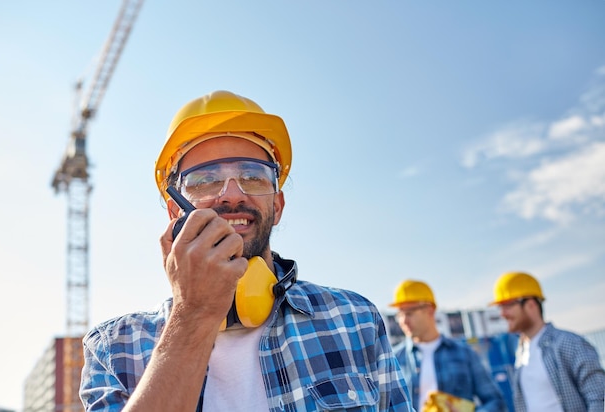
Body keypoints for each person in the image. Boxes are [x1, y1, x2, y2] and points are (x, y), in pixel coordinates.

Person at [79, 90, 414, 411]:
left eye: (253, 176)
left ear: (278, 205)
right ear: (174, 212)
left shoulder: (355, 321)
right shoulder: (115, 348)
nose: (232, 195)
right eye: (205, 179)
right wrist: (193, 313)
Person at [490, 271, 605, 412]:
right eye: (500, 307)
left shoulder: (568, 343)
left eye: (508, 305)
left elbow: (599, 397)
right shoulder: (521, 350)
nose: (502, 314)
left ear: (531, 304)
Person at [389, 279, 507, 412]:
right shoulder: (393, 360)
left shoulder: (465, 354)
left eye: (409, 313)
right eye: (400, 314)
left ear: (430, 310)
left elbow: (495, 402)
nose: (403, 320)